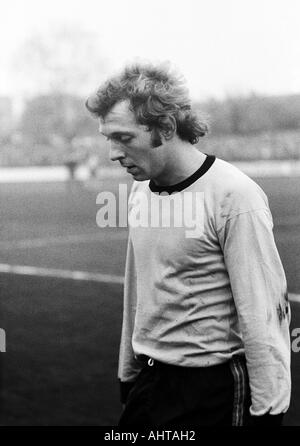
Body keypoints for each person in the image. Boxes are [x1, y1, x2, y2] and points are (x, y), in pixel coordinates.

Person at [86, 63, 291, 427]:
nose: (113, 153)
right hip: (150, 382)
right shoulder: (139, 191)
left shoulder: (234, 195)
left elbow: (263, 312)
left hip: (211, 388)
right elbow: (138, 289)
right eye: (108, 138)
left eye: (124, 137)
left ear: (165, 128)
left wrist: (269, 410)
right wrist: (128, 372)